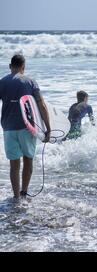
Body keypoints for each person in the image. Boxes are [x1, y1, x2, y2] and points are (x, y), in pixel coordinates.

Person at [0, 54, 51, 200]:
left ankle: (16, 196)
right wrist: (48, 128)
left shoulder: (2, 82)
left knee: (14, 164)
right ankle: (24, 192)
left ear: (10, 66)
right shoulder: (30, 82)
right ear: (24, 66)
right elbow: (41, 105)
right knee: (28, 159)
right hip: (27, 127)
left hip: (8, 128)